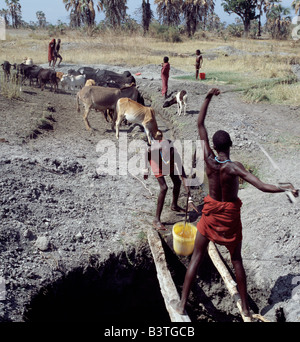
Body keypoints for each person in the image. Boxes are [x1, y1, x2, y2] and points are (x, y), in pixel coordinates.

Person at [171, 88, 298, 320]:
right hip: (229, 217)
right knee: (236, 259)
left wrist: (208, 96)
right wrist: (286, 188)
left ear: (215, 145)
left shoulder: (209, 160)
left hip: (210, 214)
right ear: (229, 145)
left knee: (196, 257)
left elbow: (200, 124)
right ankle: (247, 310)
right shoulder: (234, 167)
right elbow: (261, 185)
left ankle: (181, 304)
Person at [144, 131, 198, 231]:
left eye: (170, 153)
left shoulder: (175, 155)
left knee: (177, 182)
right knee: (164, 188)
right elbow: (146, 152)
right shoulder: (155, 149)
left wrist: (190, 199)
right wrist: (145, 169)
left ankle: (174, 205)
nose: (168, 154)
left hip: (167, 163)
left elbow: (183, 176)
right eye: (166, 153)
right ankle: (156, 220)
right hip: (156, 162)